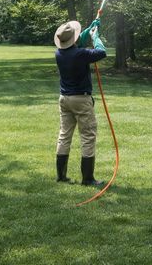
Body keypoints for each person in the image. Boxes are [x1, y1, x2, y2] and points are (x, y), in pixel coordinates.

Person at [54, 17, 107, 186]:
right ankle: (88, 179)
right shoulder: (80, 54)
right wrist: (95, 36)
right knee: (88, 136)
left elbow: (77, 41)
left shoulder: (60, 53)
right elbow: (101, 52)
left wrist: (90, 28)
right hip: (81, 100)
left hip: (65, 99)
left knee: (64, 136)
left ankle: (61, 176)